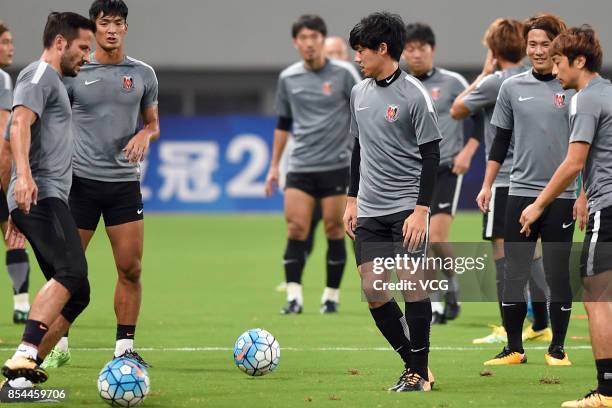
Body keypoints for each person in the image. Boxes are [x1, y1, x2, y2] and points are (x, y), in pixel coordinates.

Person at [42, 0, 159, 370]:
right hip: (79, 185)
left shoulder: (143, 74)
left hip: (123, 185)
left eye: (118, 23)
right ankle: (59, 340)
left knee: (131, 268)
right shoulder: (75, 70)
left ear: (126, 28)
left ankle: (124, 349)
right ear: (93, 28)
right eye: (104, 22)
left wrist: (146, 134)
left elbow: (153, 123)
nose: (111, 29)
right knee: (65, 271)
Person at [476, 13, 586, 366]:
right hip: (518, 192)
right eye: (532, 44)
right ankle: (514, 348)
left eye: (545, 45)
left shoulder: (573, 88)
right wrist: (487, 184)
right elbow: (500, 141)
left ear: (558, 46)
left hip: (561, 195)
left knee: (556, 272)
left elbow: (589, 148)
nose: (538, 51)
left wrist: (584, 193)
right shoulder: (511, 87)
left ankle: (558, 349)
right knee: (514, 270)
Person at [344, 11, 441, 392]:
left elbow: (431, 156)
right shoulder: (359, 93)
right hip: (368, 208)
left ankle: (417, 372)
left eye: (361, 51)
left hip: (406, 209)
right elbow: (357, 148)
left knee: (414, 286)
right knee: (373, 288)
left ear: (383, 49)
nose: (357, 58)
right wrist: (352, 200)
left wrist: (421, 211)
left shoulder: (414, 94)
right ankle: (413, 363)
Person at [0, 11, 95, 388]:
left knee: (78, 292)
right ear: (60, 42)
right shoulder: (38, 76)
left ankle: (20, 381)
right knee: (72, 273)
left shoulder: (52, 81)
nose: (86, 56)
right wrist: (22, 178)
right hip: (41, 194)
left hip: (42, 198)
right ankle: (23, 357)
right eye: (82, 47)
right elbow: (19, 124)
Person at [520, 25, 612, 408]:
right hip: (601, 199)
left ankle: (606, 391)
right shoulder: (608, 92)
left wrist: (538, 204)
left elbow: (574, 162)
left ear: (579, 61)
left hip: (608, 210)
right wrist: (585, 194)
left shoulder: (584, 99)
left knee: (597, 298)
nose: (553, 68)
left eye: (558, 60)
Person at [451, 18, 552, 344]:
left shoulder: (496, 81)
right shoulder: (532, 78)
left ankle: (512, 329)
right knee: (533, 253)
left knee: (502, 256)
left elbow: (456, 109)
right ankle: (541, 323)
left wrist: (483, 71)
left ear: (493, 49)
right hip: (537, 176)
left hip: (506, 179)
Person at [265, 15, 360, 314]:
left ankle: (330, 296)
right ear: (296, 42)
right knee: (296, 229)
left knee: (334, 230)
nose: (309, 43)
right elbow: (283, 123)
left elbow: (364, 111)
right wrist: (274, 166)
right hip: (301, 166)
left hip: (336, 165)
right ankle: (294, 297)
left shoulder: (344, 74)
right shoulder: (288, 78)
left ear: (322, 39)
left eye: (314, 37)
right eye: (303, 38)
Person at [402, 22, 476, 323]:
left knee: (436, 238)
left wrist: (468, 151)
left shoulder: (452, 82)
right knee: (419, 240)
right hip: (413, 174)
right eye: (410, 48)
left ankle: (451, 286)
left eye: (422, 48)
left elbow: (482, 115)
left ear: (432, 50)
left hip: (446, 169)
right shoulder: (401, 85)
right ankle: (433, 303)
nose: (416, 54)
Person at [0, 21, 31, 325]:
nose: (11, 48)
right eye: (5, 42)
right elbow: (3, 136)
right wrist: (10, 180)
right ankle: (22, 304)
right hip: (1, 171)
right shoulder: (2, 79)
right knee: (14, 236)